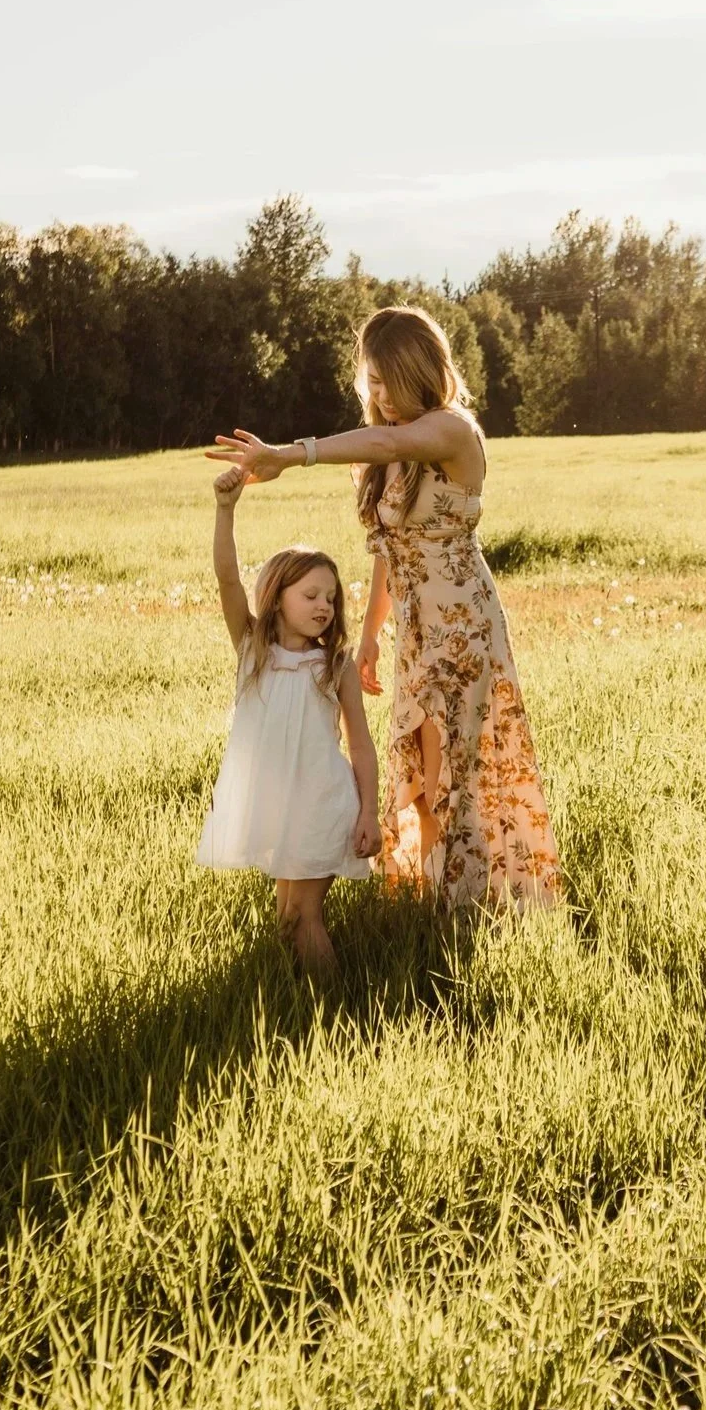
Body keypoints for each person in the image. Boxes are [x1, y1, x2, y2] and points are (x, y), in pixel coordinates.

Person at [208, 306, 561, 906]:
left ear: (423, 371)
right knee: (420, 770)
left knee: (453, 759)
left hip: (463, 627)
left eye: (390, 379)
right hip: (415, 632)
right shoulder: (386, 452)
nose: (380, 394)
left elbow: (389, 439)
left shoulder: (451, 430)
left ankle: (467, 900)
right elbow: (387, 551)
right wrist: (372, 632)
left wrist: (289, 455)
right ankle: (429, 893)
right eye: (370, 381)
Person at [194, 471, 379, 972]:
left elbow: (360, 746)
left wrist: (369, 813)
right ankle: (296, 1009)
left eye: (331, 597)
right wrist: (226, 508)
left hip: (324, 803)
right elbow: (228, 578)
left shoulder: (335, 666)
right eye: (311, 594)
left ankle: (336, 1014)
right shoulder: (254, 650)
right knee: (285, 920)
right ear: (276, 596)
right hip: (279, 805)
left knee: (302, 916)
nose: (325, 605)